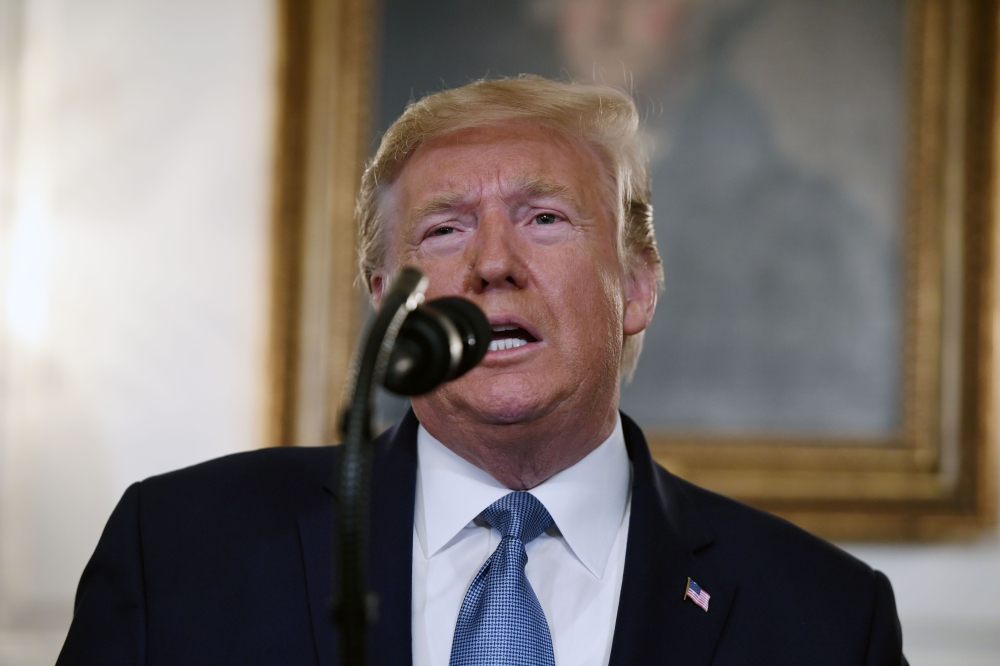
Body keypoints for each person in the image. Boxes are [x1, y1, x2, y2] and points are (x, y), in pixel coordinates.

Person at [57, 76, 907, 665]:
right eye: (444, 230)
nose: (493, 265)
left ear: (638, 286)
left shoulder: (826, 617)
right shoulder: (177, 552)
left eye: (543, 218)